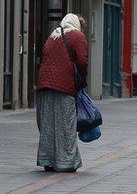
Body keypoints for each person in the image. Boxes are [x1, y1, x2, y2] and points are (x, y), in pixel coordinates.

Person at [35, 13, 88, 172]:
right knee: (66, 125)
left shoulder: (53, 36)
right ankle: (67, 161)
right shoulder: (77, 36)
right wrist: (81, 80)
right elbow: (82, 61)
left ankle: (48, 160)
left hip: (44, 85)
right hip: (64, 86)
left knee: (48, 125)